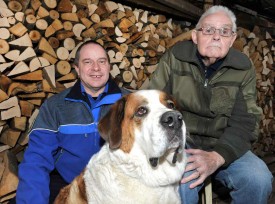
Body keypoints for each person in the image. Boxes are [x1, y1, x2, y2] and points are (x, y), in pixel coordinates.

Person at [148, 5, 273, 204]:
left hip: (223, 144)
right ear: (196, 36)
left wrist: (218, 156)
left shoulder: (243, 68)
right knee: (180, 182)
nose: (216, 36)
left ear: (232, 40)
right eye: (208, 30)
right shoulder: (176, 57)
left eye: (224, 31)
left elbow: (246, 121)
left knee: (259, 179)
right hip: (183, 143)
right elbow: (151, 100)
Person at [15, 40, 130, 203]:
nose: (96, 68)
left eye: (102, 61)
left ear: (109, 67)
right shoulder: (55, 106)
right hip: (71, 185)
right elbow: (36, 160)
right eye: (88, 62)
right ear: (77, 68)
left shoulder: (134, 103)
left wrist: (178, 160)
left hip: (122, 188)